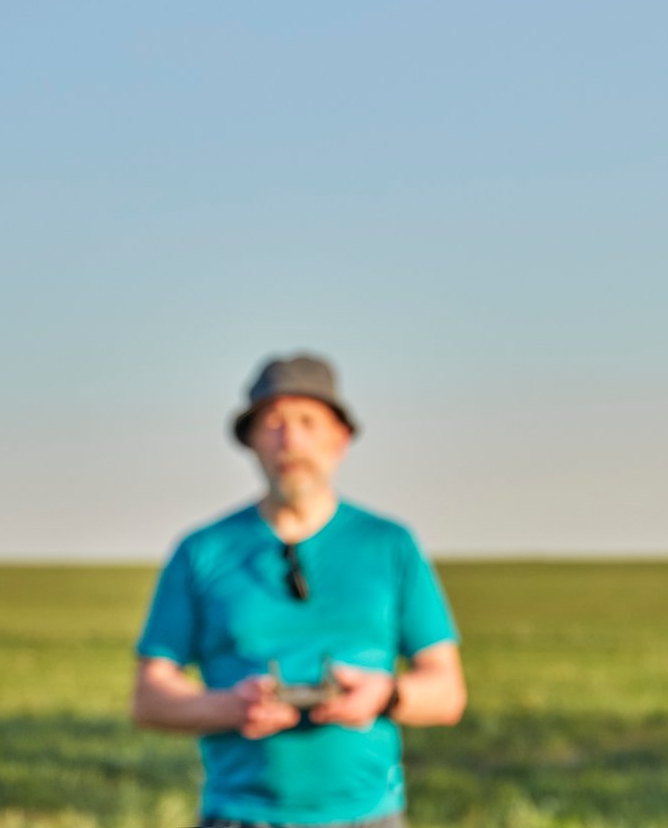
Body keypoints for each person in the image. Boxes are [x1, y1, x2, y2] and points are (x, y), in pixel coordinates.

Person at [132, 353, 465, 827]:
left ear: (341, 439)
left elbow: (447, 691)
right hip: (240, 815)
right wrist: (230, 707)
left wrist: (384, 696)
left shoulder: (390, 545)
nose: (291, 441)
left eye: (309, 422)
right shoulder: (201, 551)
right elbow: (150, 697)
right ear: (250, 441)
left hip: (369, 816)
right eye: (273, 423)